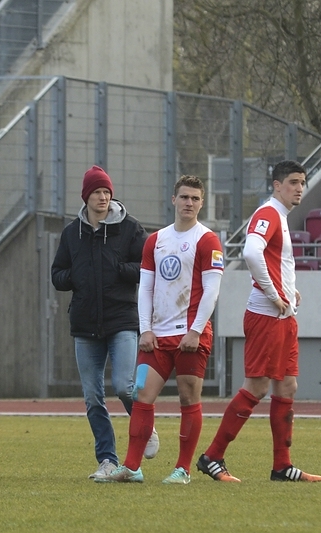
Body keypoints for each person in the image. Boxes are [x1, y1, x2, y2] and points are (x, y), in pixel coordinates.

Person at [196, 160, 321, 483]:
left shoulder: (278, 217)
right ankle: (212, 456)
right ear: (277, 185)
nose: (299, 188)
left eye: (302, 182)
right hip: (266, 317)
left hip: (283, 317)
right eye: (293, 182)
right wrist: (272, 292)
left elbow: (271, 259)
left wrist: (289, 290)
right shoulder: (268, 213)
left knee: (287, 385)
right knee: (257, 385)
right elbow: (252, 253)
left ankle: (282, 466)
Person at [98, 174, 224, 484]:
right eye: (184, 197)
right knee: (141, 393)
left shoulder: (208, 240)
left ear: (202, 202)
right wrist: (146, 329)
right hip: (157, 337)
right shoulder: (155, 240)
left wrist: (195, 331)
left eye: (195, 198)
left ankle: (182, 469)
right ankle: (131, 467)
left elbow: (211, 290)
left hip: (191, 336)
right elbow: (145, 289)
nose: (189, 203)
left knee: (187, 398)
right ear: (173, 200)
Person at [51, 165, 159, 480]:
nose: (103, 197)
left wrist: (118, 269)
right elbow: (57, 274)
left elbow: (146, 267)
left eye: (107, 192)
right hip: (85, 325)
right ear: (86, 196)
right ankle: (108, 460)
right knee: (93, 396)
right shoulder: (73, 233)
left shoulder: (130, 228)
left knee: (126, 385)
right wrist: (77, 277)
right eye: (97, 192)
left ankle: (146, 429)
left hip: (122, 319)